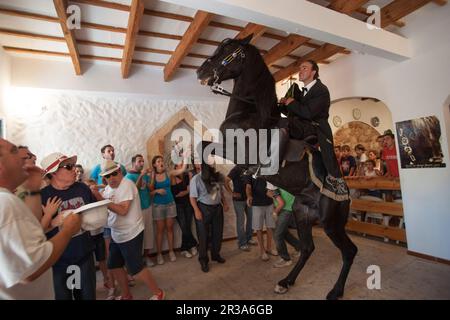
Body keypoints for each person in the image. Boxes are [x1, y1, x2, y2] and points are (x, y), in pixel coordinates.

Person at [0, 138, 81, 300]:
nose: (29, 161)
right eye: (14, 152)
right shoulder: (6, 203)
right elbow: (29, 270)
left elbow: (33, 232)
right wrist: (67, 229)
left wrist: (32, 190)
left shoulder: (9, 200)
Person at [91, 160, 165, 300]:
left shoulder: (127, 185)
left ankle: (158, 293)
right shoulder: (108, 189)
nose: (111, 178)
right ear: (104, 178)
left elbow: (123, 210)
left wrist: (101, 199)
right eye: (108, 176)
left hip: (131, 233)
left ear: (119, 172)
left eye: (114, 174)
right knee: (114, 264)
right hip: (117, 234)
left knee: (136, 268)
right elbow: (106, 203)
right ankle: (126, 295)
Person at [40, 152, 97, 300]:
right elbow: (36, 235)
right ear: (53, 173)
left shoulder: (83, 189)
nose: (74, 169)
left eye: (73, 166)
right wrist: (53, 221)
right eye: (68, 166)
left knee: (87, 297)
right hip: (58, 261)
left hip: (84, 256)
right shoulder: (43, 196)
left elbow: (92, 215)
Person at [279, 60, 344, 190]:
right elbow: (294, 112)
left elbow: (308, 113)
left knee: (281, 123)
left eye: (304, 68)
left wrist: (291, 103)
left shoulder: (321, 90)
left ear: (313, 72)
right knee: (277, 121)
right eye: (300, 68)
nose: (300, 71)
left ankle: (336, 182)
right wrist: (283, 105)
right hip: (300, 126)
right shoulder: (299, 92)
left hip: (315, 128)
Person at [189, 155, 228, 273]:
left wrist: (225, 203)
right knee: (203, 235)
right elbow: (192, 197)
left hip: (217, 208)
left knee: (217, 233)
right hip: (203, 208)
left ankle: (215, 255)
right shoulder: (196, 179)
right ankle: (203, 260)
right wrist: (196, 210)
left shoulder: (217, 176)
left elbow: (220, 192)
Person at [150, 155, 186, 265]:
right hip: (158, 206)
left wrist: (186, 156)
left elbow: (182, 169)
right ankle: (159, 254)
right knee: (160, 230)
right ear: (154, 164)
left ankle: (171, 252)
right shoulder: (152, 175)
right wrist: (157, 191)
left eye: (162, 160)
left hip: (170, 204)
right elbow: (150, 192)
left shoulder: (168, 173)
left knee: (170, 229)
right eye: (158, 161)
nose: (161, 162)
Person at [125, 154, 155, 267]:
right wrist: (141, 176)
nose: (142, 163)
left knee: (148, 233)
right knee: (138, 236)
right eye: (139, 161)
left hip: (147, 207)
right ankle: (138, 260)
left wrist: (151, 175)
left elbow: (150, 188)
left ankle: (146, 257)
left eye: (143, 161)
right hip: (137, 210)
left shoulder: (144, 174)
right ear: (133, 163)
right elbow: (133, 191)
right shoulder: (128, 177)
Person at [266, 183, 300, 268]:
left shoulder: (273, 188)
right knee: (284, 232)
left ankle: (286, 259)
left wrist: (274, 213)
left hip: (286, 209)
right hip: (287, 207)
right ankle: (300, 248)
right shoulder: (278, 184)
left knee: (277, 235)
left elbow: (281, 203)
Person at [245, 175, 277, 261]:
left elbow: (273, 184)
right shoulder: (251, 171)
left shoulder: (268, 170)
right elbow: (248, 186)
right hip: (257, 204)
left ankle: (269, 248)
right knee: (258, 228)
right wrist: (249, 196)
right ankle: (262, 251)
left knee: (270, 226)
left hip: (269, 202)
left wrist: (275, 198)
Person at [171, 161, 198, 259]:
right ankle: (193, 244)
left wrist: (186, 191)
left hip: (188, 204)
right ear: (176, 166)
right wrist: (186, 191)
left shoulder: (188, 175)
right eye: (180, 163)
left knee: (187, 226)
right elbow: (175, 193)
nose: (182, 165)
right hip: (178, 205)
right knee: (184, 226)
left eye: (183, 163)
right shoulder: (173, 176)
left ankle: (184, 248)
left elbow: (191, 190)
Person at [225, 165, 255, 251]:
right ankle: (242, 243)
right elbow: (226, 181)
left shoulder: (250, 168)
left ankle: (249, 239)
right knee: (241, 221)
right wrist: (232, 193)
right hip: (238, 200)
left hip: (249, 198)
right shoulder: (236, 169)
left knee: (251, 219)